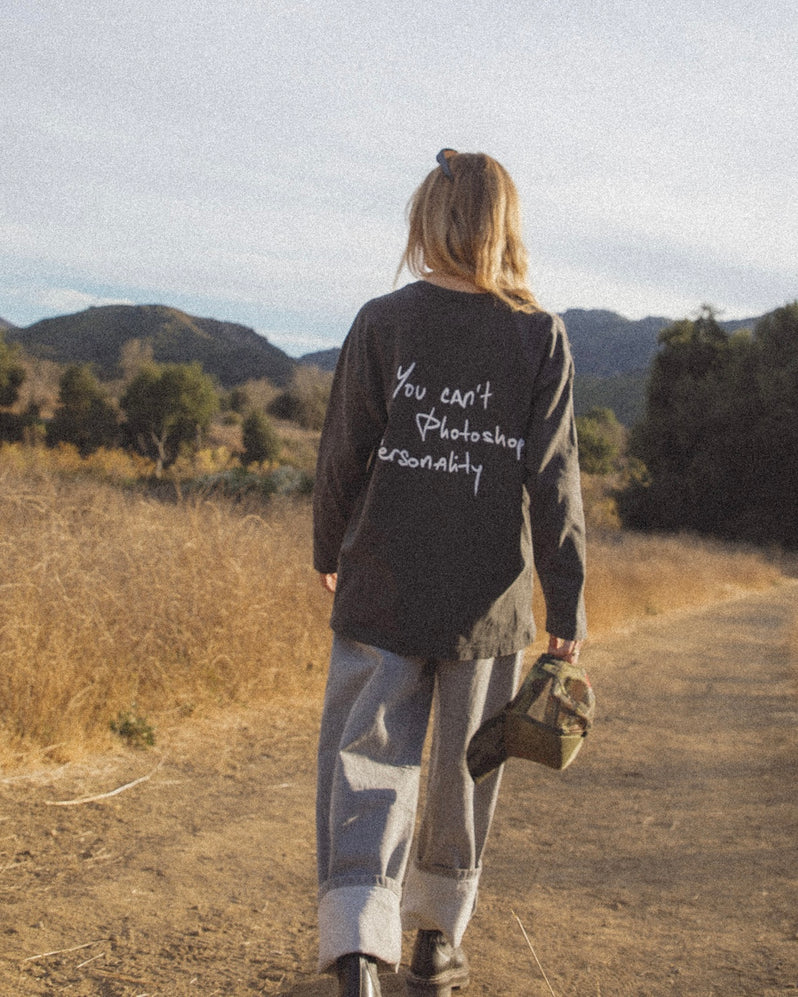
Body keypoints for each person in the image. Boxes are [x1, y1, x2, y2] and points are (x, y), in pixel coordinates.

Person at [313, 149, 587, 997]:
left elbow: (342, 456)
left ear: (426, 220)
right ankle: (434, 939)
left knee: (366, 758)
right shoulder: (539, 335)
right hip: (490, 606)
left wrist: (329, 550)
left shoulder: (381, 321)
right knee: (468, 769)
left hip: (381, 591)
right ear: (504, 225)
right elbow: (555, 479)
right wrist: (567, 601)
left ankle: (359, 948)